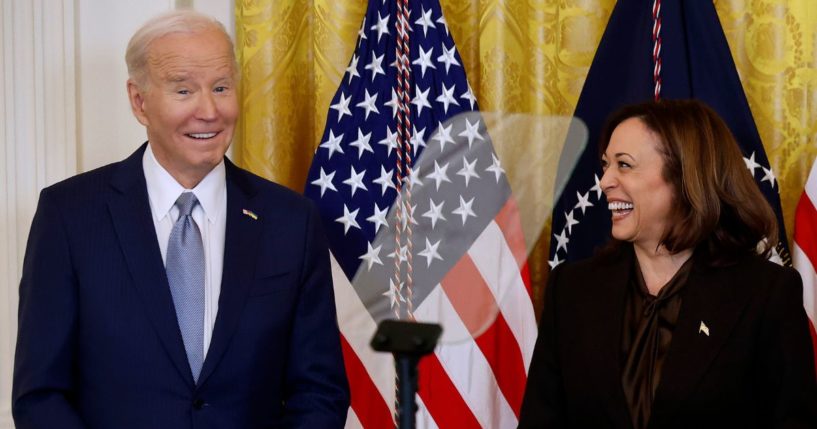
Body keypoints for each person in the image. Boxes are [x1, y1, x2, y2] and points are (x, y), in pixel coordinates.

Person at [12, 10, 349, 428]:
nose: (208, 111)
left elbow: (319, 391)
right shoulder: (69, 216)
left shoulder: (291, 221)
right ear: (139, 101)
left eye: (221, 87)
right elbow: (40, 395)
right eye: (184, 90)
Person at [518, 99, 817, 428]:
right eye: (606, 165)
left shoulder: (766, 293)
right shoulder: (572, 290)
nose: (604, 181)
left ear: (685, 177)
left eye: (625, 165)